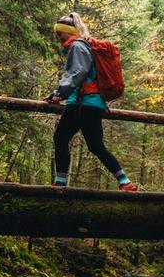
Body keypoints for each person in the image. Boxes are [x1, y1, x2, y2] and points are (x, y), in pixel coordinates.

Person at [45, 12, 137, 191]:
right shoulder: (87, 46)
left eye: (60, 33)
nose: (58, 37)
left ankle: (60, 183)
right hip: (94, 103)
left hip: (81, 102)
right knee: (95, 145)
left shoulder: (77, 46)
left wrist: (60, 93)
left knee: (61, 138)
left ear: (69, 32)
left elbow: (77, 73)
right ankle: (125, 181)